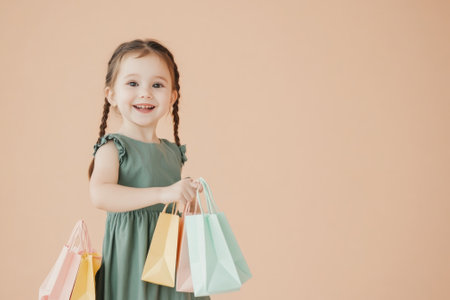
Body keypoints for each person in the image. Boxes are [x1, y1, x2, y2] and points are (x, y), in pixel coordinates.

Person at [87, 38, 210, 300]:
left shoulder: (172, 152)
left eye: (157, 85)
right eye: (132, 83)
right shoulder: (113, 147)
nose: (145, 93)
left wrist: (189, 201)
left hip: (170, 260)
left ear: (173, 96)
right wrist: (163, 194)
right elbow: (100, 195)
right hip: (132, 260)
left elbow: (172, 207)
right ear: (111, 95)